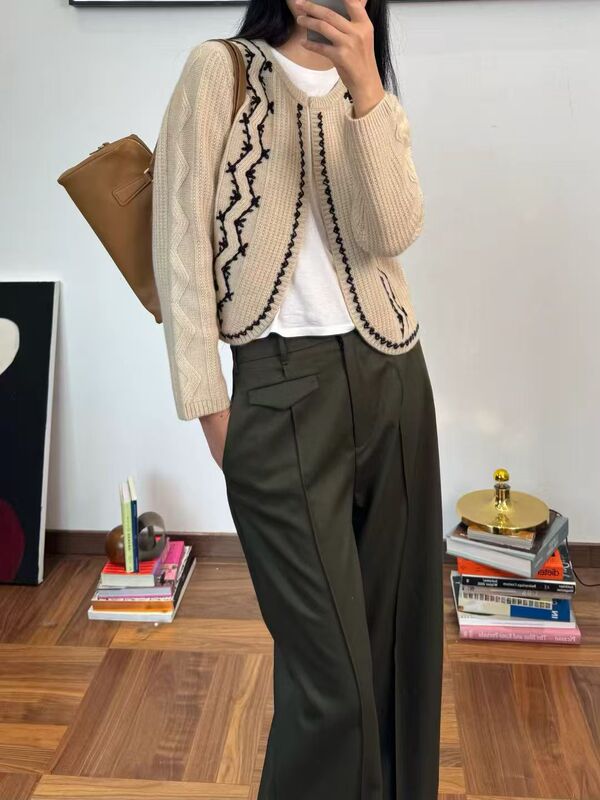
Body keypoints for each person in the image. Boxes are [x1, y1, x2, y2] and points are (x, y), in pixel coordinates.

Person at [151, 0, 444, 797]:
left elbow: (391, 231)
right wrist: (211, 407)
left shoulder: (370, 91)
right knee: (332, 686)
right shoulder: (221, 71)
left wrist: (365, 87)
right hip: (279, 388)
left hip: (393, 379)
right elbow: (179, 244)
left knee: (397, 656)